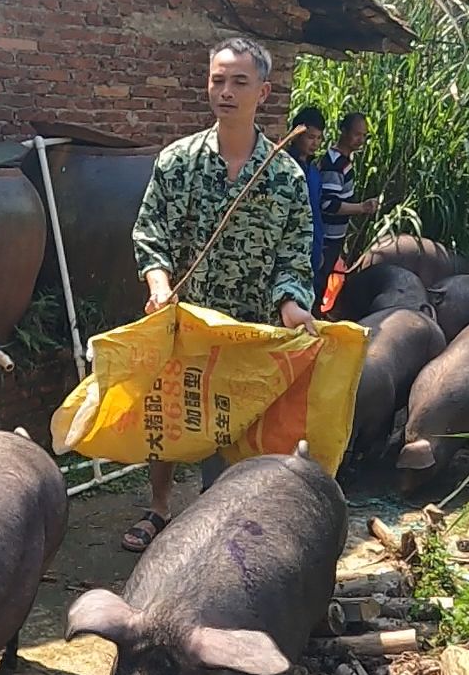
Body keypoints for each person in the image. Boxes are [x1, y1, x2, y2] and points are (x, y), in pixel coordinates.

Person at [121, 37, 318, 553]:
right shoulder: (177, 162)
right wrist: (159, 284)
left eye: (238, 82)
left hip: (248, 327)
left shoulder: (285, 177)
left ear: (264, 92)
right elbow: (150, 232)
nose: (225, 91)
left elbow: (294, 253)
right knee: (167, 413)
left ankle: (223, 516)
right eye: (217, 80)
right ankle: (160, 509)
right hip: (182, 321)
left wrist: (291, 302)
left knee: (233, 422)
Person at [317, 112, 379, 283]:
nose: (360, 140)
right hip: (327, 237)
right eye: (357, 134)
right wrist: (362, 208)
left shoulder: (343, 162)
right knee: (319, 280)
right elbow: (329, 204)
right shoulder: (335, 164)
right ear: (343, 131)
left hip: (334, 236)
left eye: (364, 136)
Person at [287, 106, 328, 281]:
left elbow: (316, 212)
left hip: (313, 242)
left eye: (319, 138)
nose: (315, 143)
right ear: (296, 135)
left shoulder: (314, 171)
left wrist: (319, 249)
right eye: (310, 137)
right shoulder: (286, 168)